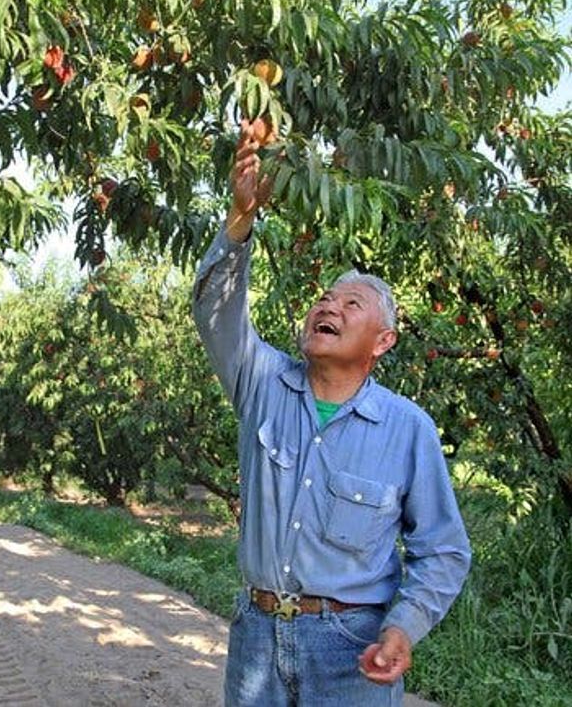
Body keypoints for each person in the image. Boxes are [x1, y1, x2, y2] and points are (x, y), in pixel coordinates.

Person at [192, 119, 472, 706]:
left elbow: (442, 548)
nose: (330, 305)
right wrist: (240, 221)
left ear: (382, 341)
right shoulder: (264, 382)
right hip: (257, 639)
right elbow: (216, 313)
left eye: (353, 303)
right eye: (325, 297)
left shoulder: (406, 429)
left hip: (351, 645)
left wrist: (403, 627)